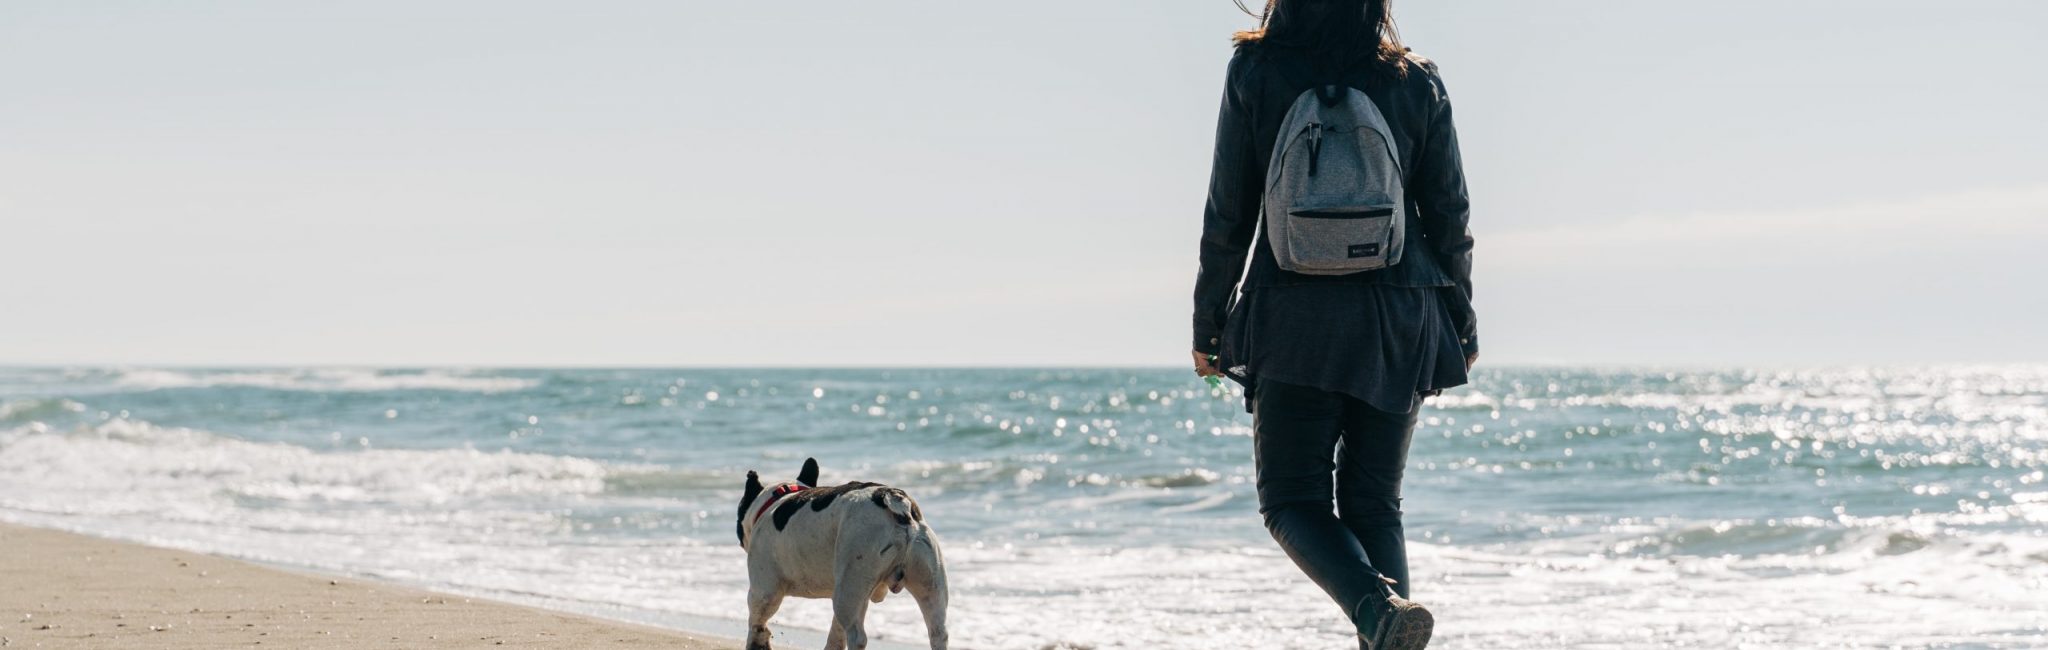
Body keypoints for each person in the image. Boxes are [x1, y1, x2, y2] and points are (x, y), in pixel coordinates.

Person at [1189, 1, 1477, 648]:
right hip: (1400, 316)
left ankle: (1378, 614)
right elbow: (1450, 216)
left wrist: (1209, 324)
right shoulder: (1415, 80)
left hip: (1293, 319)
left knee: (1291, 501)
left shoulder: (1256, 71)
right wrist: (1461, 320)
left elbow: (1227, 212)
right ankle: (1386, 623)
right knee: (1375, 506)